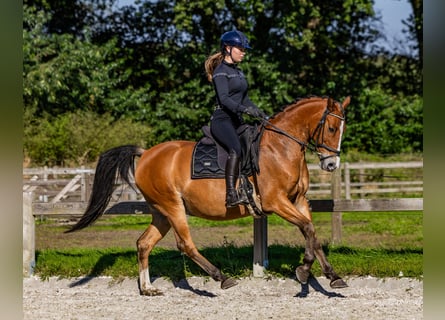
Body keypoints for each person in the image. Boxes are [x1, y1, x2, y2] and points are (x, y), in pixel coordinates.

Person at [204, 30, 267, 208]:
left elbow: (244, 99)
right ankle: (231, 194)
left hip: (237, 119)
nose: (243, 52)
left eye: (244, 49)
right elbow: (224, 99)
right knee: (236, 149)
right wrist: (244, 109)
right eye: (240, 49)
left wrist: (259, 112)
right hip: (222, 120)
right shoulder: (220, 72)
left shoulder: (238, 73)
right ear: (228, 48)